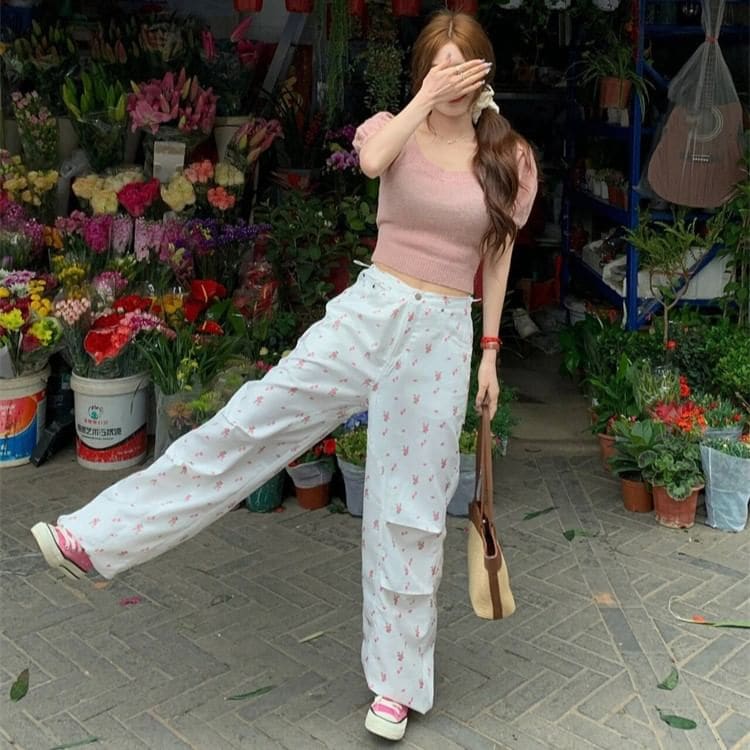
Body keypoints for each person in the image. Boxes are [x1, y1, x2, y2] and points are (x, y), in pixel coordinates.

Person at [31, 10, 537, 743]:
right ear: (423, 70)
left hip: (441, 335)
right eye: (439, 67)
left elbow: (498, 253)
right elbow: (372, 163)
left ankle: (396, 686)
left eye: (463, 68)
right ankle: (96, 536)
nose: (451, 82)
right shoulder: (393, 129)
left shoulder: (509, 158)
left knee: (412, 509)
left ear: (484, 70)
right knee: (253, 419)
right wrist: (424, 100)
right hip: (374, 308)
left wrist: (489, 352)